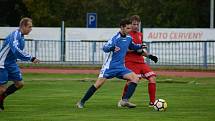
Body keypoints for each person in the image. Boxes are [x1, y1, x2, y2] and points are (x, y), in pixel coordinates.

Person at [76, 18, 145, 108]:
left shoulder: (129, 38)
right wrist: (112, 48)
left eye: (130, 28)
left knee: (135, 78)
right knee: (98, 84)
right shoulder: (115, 38)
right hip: (110, 67)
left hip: (121, 67)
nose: (130, 30)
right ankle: (81, 102)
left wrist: (140, 46)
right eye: (128, 28)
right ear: (122, 28)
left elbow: (132, 46)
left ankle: (125, 101)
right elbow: (105, 48)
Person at [0, 17, 40, 111]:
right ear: (23, 26)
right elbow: (16, 50)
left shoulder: (21, 36)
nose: (31, 29)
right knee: (2, 89)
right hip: (2, 63)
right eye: (29, 27)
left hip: (11, 63)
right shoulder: (15, 35)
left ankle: (1, 98)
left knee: (20, 84)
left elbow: (17, 52)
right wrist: (31, 58)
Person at [118, 15, 158, 107]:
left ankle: (152, 103)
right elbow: (124, 49)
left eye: (137, 24)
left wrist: (150, 56)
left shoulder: (140, 35)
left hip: (141, 62)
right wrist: (135, 50)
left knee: (152, 78)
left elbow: (140, 50)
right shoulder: (127, 35)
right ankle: (123, 100)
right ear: (130, 25)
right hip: (130, 61)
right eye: (134, 24)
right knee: (131, 81)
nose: (136, 26)